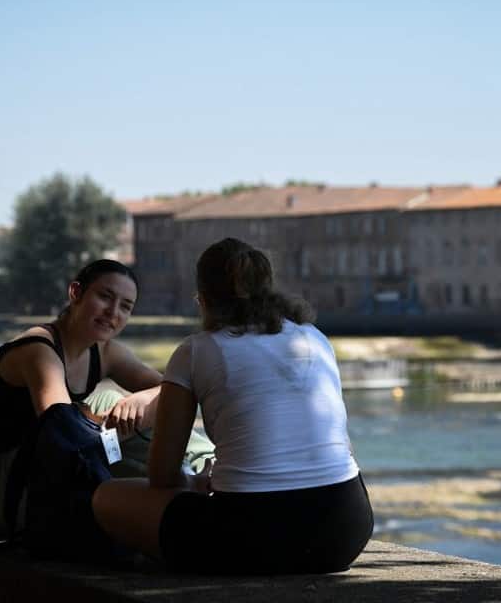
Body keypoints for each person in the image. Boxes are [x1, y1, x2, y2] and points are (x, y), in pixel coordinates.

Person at [92, 238, 373, 574]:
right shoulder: (313, 337)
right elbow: (342, 448)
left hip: (248, 538)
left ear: (205, 299)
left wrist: (196, 482)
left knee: (106, 498)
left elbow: (162, 475)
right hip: (344, 533)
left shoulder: (196, 350)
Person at [0, 259, 213, 547]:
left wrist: (143, 397)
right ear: (75, 293)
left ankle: (208, 466)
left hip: (50, 473)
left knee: (128, 403)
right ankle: (188, 480)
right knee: (116, 408)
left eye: (125, 306)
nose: (113, 313)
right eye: (105, 297)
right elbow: (64, 436)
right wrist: (122, 420)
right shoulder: (38, 351)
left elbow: (176, 392)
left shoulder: (104, 352)